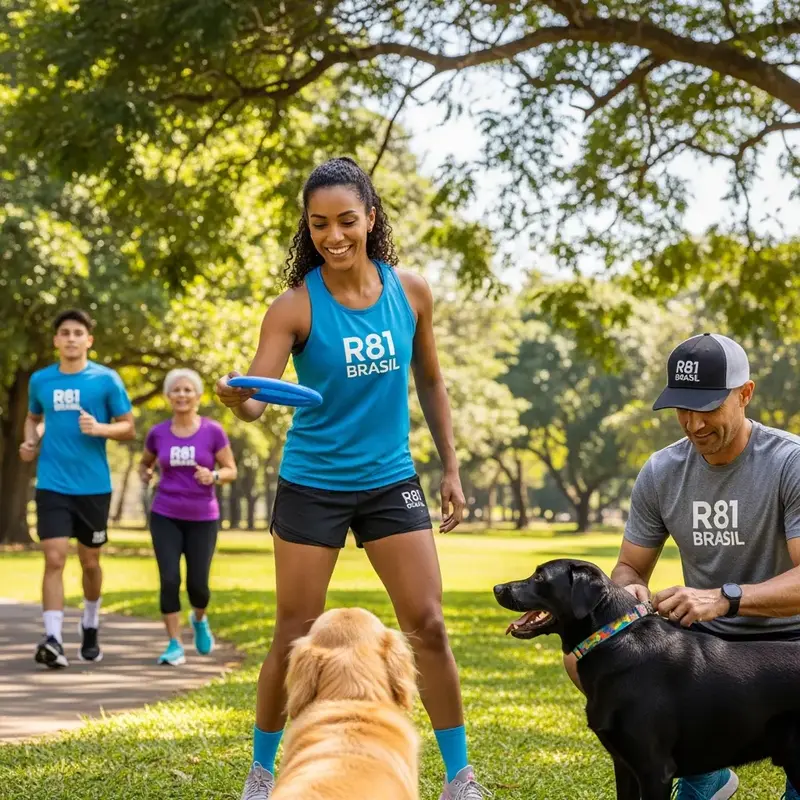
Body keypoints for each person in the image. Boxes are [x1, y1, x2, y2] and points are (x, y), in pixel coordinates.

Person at [215, 157, 488, 800]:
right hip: (313, 481)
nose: (333, 236)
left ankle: (460, 777)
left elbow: (431, 380)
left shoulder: (411, 291)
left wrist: (449, 466)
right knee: (293, 634)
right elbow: (259, 395)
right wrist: (237, 399)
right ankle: (261, 774)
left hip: (390, 477)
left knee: (429, 625)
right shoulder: (293, 307)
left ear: (370, 217)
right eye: (318, 225)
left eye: (345, 221)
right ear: (306, 230)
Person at [563, 332, 800, 800]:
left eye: (708, 407)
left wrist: (724, 598)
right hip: (710, 651)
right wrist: (630, 593)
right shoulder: (661, 470)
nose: (693, 425)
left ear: (745, 394)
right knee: (583, 656)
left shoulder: (789, 462)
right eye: (682, 409)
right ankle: (705, 772)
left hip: (791, 645)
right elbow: (629, 567)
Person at [20, 308, 135, 668]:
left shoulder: (105, 380)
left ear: (89, 340)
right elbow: (33, 417)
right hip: (52, 482)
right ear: (56, 340)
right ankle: (53, 639)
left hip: (93, 487)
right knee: (54, 558)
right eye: (64, 332)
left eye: (77, 333)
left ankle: (90, 623)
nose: (70, 338)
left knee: (90, 562)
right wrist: (29, 442)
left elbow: (128, 427)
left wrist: (100, 429)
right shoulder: (41, 380)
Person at [139, 368, 237, 666]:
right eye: (176, 390)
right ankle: (173, 644)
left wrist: (215, 474)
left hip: (203, 517)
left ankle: (199, 620)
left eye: (187, 390)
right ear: (169, 397)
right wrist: (146, 474)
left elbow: (232, 470)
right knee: (169, 579)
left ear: (197, 396)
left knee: (198, 585)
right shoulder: (157, 433)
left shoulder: (213, 431)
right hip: (165, 513)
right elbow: (145, 464)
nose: (182, 395)